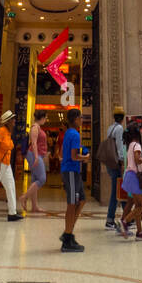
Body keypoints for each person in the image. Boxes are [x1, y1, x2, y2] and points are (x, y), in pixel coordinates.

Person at [59, 107, 88, 252]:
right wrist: (85, 158)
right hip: (71, 170)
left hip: (73, 171)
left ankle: (68, 233)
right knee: (71, 204)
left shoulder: (69, 133)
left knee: (82, 200)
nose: (82, 120)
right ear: (76, 119)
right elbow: (73, 156)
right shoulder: (74, 134)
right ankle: (67, 239)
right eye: (81, 118)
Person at [117, 123, 142, 240]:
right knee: (141, 205)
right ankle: (125, 222)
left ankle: (140, 232)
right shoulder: (137, 145)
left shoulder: (130, 145)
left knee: (137, 204)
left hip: (129, 176)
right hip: (135, 177)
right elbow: (137, 160)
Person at [102, 107, 126, 230]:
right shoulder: (120, 128)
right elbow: (119, 145)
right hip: (116, 163)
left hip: (110, 162)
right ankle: (110, 220)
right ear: (122, 118)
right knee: (116, 191)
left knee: (119, 189)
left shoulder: (110, 128)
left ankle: (127, 218)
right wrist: (122, 161)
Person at [19, 111, 48, 214]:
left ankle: (35, 206)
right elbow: (34, 143)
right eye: (46, 118)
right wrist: (36, 157)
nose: (46, 120)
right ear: (43, 117)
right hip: (34, 155)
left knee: (35, 179)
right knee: (42, 179)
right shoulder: (35, 127)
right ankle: (24, 197)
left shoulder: (37, 127)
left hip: (37, 155)